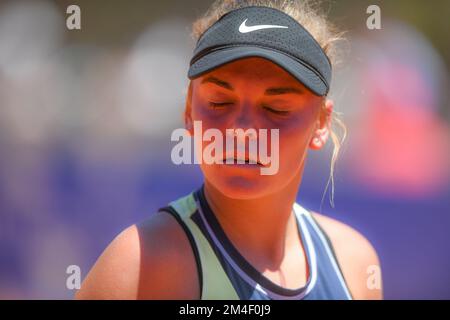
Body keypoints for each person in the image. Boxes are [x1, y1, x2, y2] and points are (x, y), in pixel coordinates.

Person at [76, 0, 382, 300]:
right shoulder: (142, 265)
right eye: (219, 103)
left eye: (276, 108)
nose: (242, 130)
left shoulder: (353, 263)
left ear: (321, 123)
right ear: (188, 112)